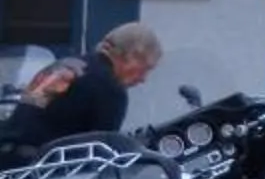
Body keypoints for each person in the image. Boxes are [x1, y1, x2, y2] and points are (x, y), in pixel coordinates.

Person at [1, 22, 160, 152]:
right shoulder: (109, 89)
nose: (143, 79)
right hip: (41, 172)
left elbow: (27, 114)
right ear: (132, 56)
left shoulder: (65, 65)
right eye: (145, 68)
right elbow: (101, 152)